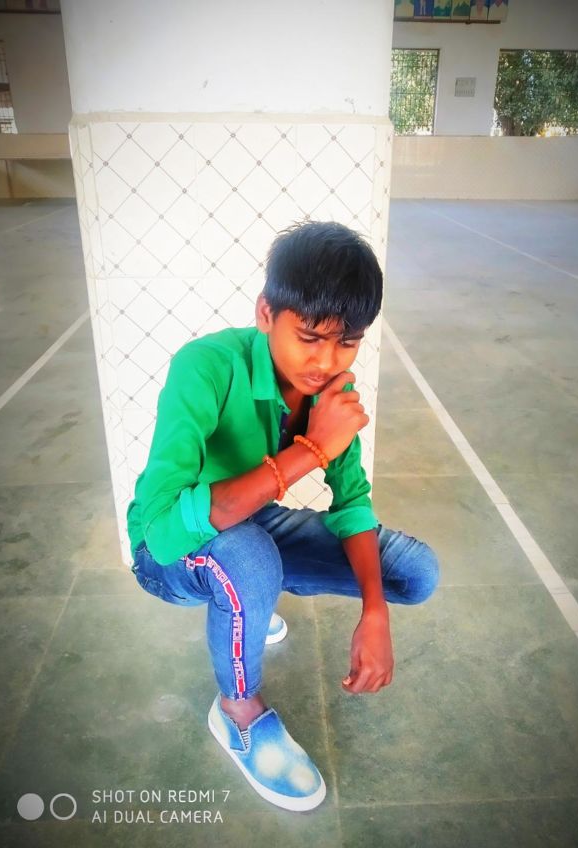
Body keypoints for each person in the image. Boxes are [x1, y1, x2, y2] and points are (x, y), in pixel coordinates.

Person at [126, 220, 440, 812]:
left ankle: (250, 595)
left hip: (250, 526)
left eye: (347, 342)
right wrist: (311, 449)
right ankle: (237, 711)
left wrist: (375, 612)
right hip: (169, 549)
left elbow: (353, 504)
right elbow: (163, 535)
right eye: (310, 337)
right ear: (266, 313)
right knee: (246, 557)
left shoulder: (328, 388)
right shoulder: (204, 366)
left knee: (413, 573)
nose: (325, 361)